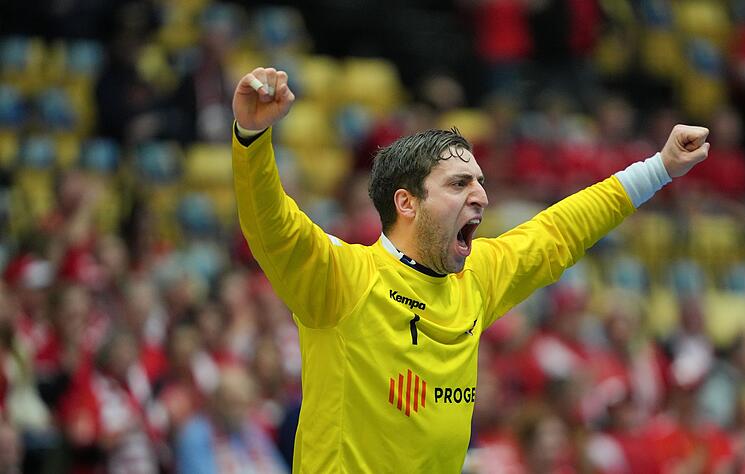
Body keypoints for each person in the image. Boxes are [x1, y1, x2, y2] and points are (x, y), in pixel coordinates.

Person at [231, 66, 710, 472]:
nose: (481, 195)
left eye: (479, 182)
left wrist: (660, 167)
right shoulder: (344, 278)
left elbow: (561, 230)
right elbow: (273, 227)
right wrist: (251, 137)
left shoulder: (476, 278)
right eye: (459, 184)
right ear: (407, 203)